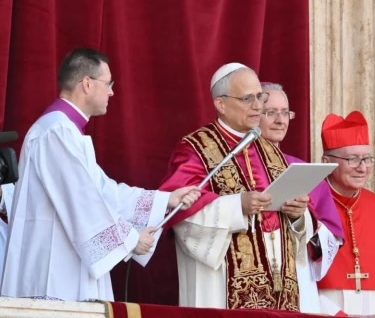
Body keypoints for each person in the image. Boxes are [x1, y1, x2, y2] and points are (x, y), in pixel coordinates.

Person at [1, 47, 200, 301]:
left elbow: (102, 190)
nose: (112, 92)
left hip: (65, 264)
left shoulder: (66, 131)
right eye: (108, 84)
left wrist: (165, 199)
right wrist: (128, 240)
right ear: (87, 83)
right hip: (52, 270)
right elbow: (82, 201)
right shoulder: (56, 132)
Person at [158, 63, 322, 311]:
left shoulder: (270, 150)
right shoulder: (196, 148)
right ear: (221, 104)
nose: (258, 106)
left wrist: (299, 215)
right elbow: (179, 213)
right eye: (248, 98)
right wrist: (237, 206)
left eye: (260, 97)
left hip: (279, 289)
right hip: (223, 287)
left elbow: (299, 226)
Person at [258, 82, 344, 313]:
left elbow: (330, 239)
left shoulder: (304, 170)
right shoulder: (237, 168)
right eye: (271, 112)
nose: (281, 120)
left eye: (285, 112)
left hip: (298, 281)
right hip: (253, 282)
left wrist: (302, 219)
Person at [316, 111, 375, 317]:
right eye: (352, 159)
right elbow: (298, 275)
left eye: (367, 159)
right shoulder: (309, 205)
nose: (362, 168)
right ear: (327, 161)